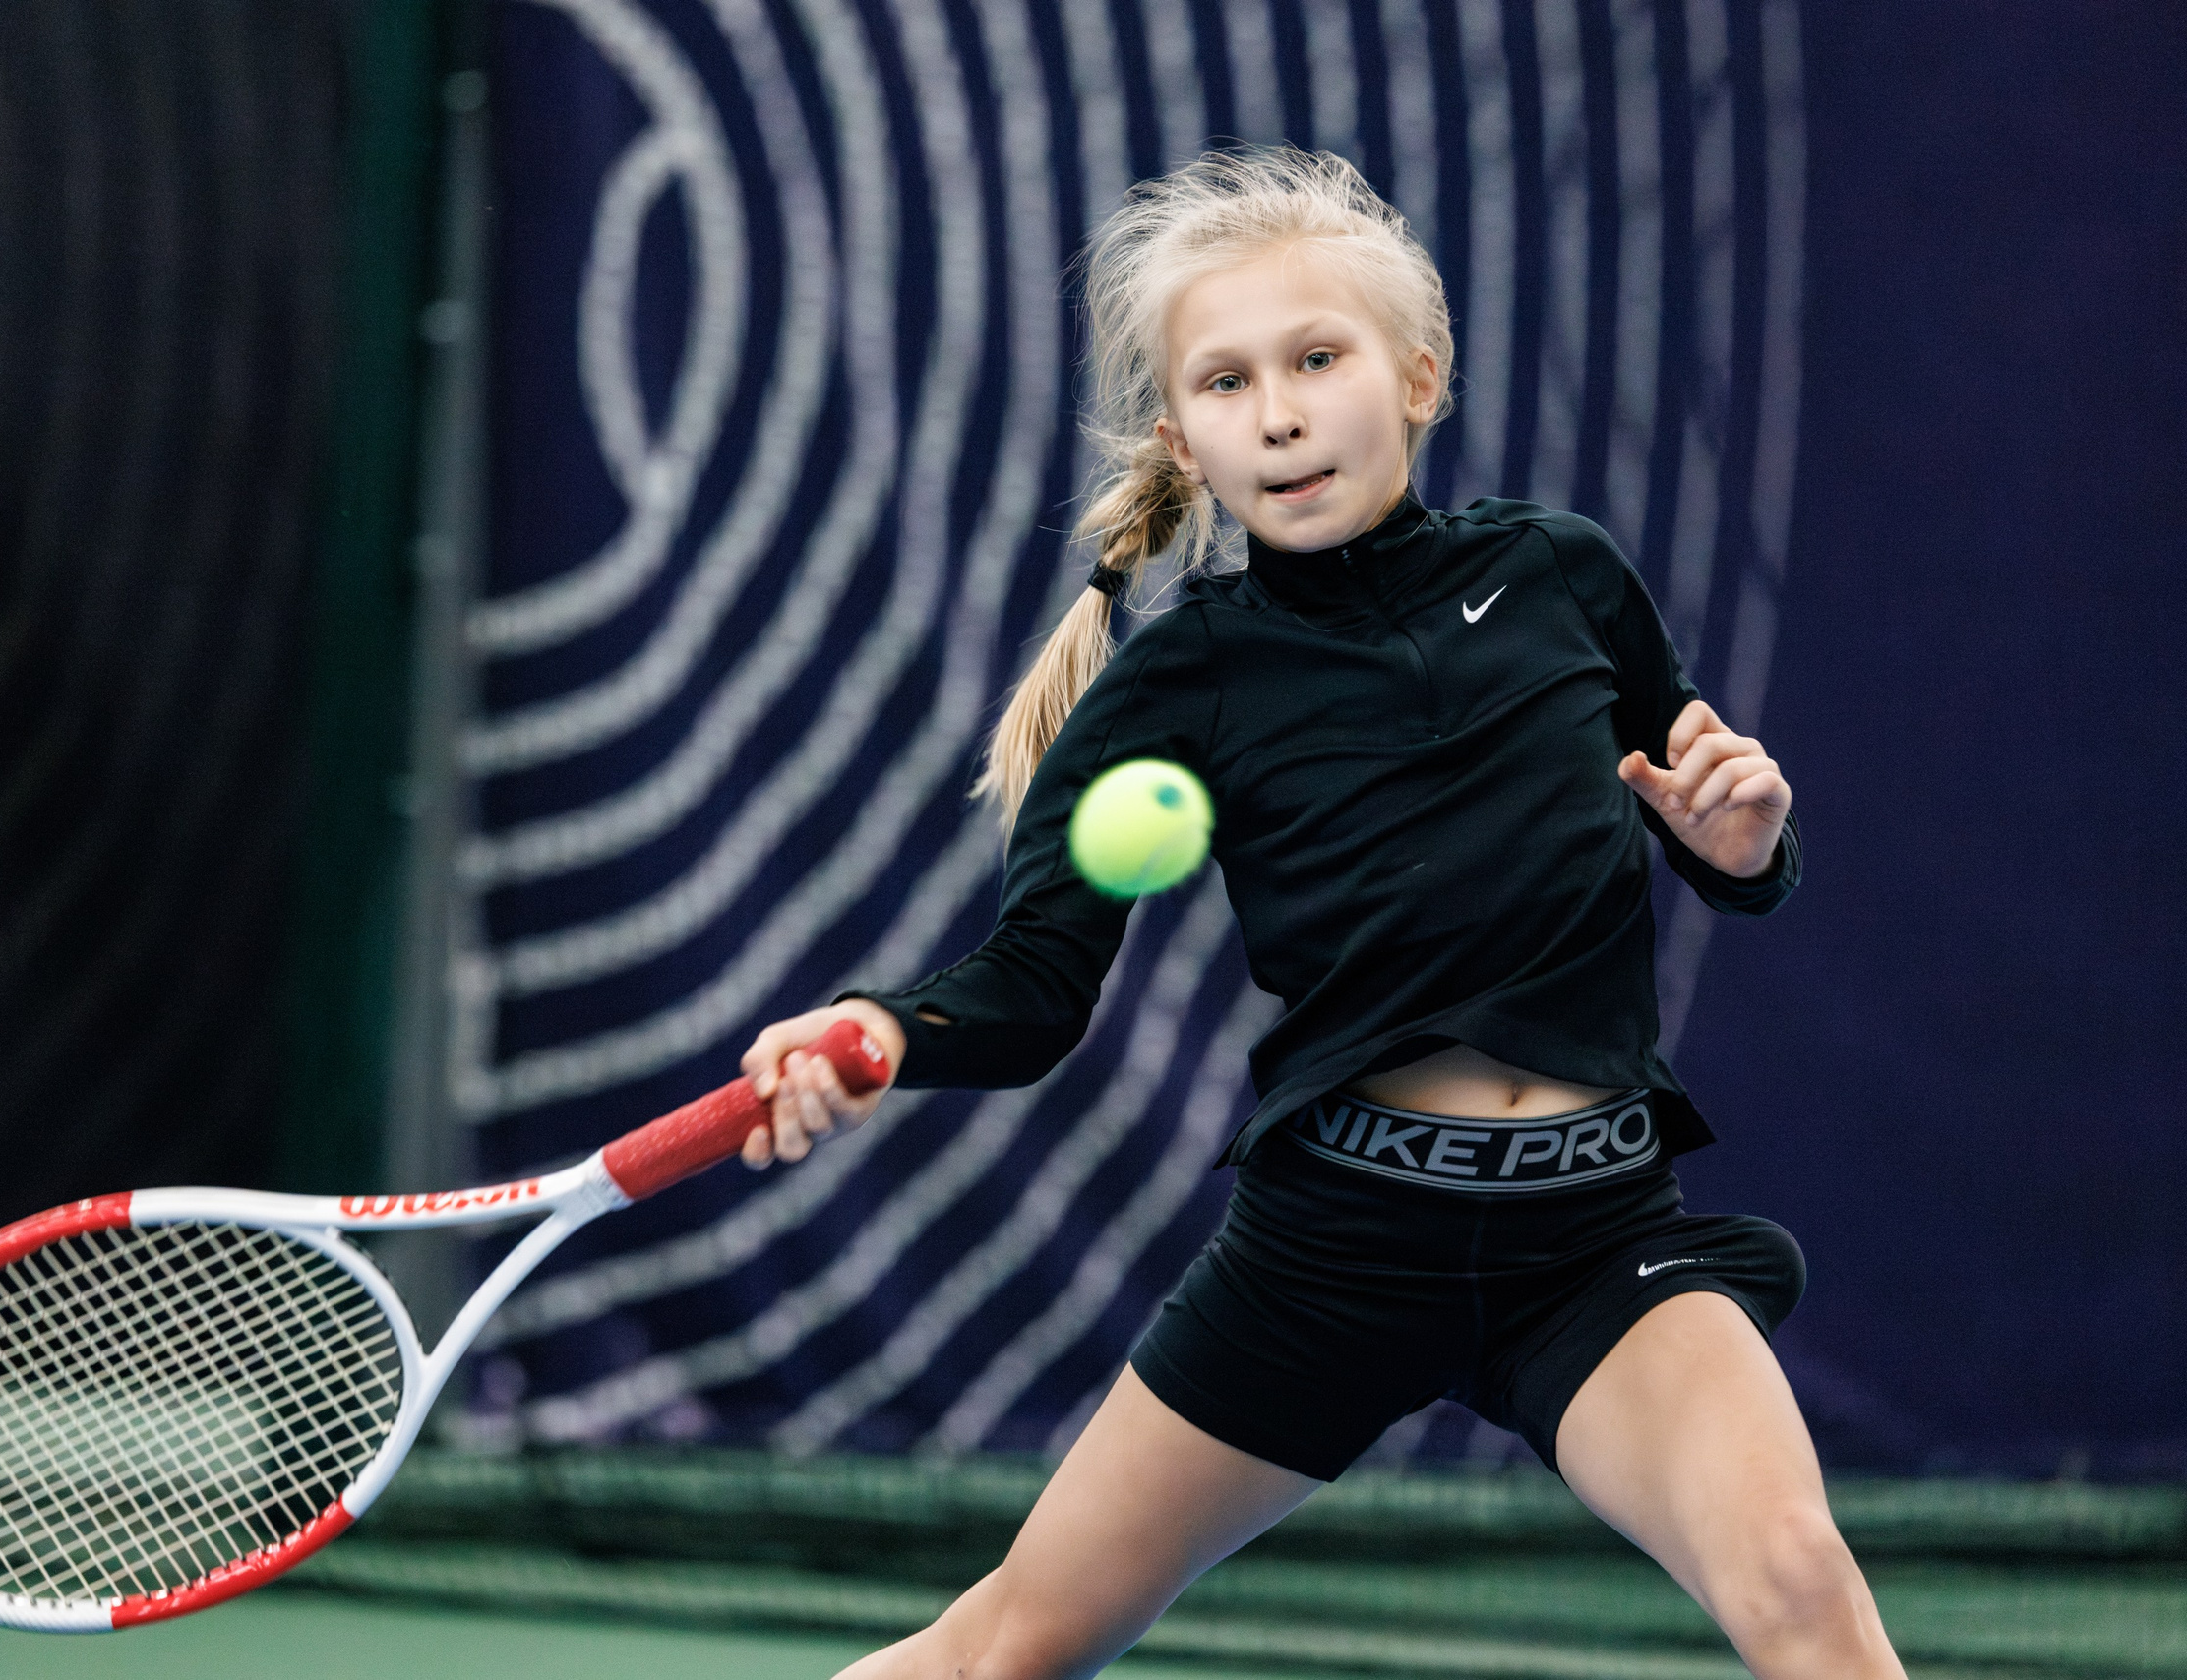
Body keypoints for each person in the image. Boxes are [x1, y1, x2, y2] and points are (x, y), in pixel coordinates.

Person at [734, 144, 1904, 1679]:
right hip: (1335, 1250)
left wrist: (1744, 842)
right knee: (1003, 1652)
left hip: (1590, 1235)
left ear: (1419, 377)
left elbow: (1723, 841)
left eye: (1316, 357)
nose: (1277, 410)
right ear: (1183, 439)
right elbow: (1031, 987)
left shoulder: (1565, 580)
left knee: (1803, 1585)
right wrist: (880, 1025)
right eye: (1224, 383)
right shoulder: (1180, 682)